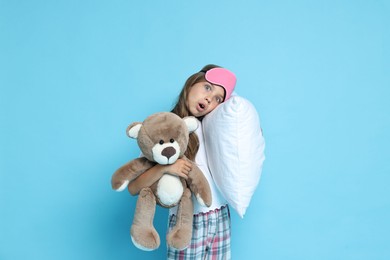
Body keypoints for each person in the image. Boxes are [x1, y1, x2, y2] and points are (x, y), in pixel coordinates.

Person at [127, 64, 236, 259]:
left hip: (220, 215)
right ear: (192, 83)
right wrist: (166, 167)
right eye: (208, 87)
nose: (210, 98)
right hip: (186, 222)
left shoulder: (214, 125)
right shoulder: (163, 129)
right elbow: (134, 187)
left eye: (218, 98)